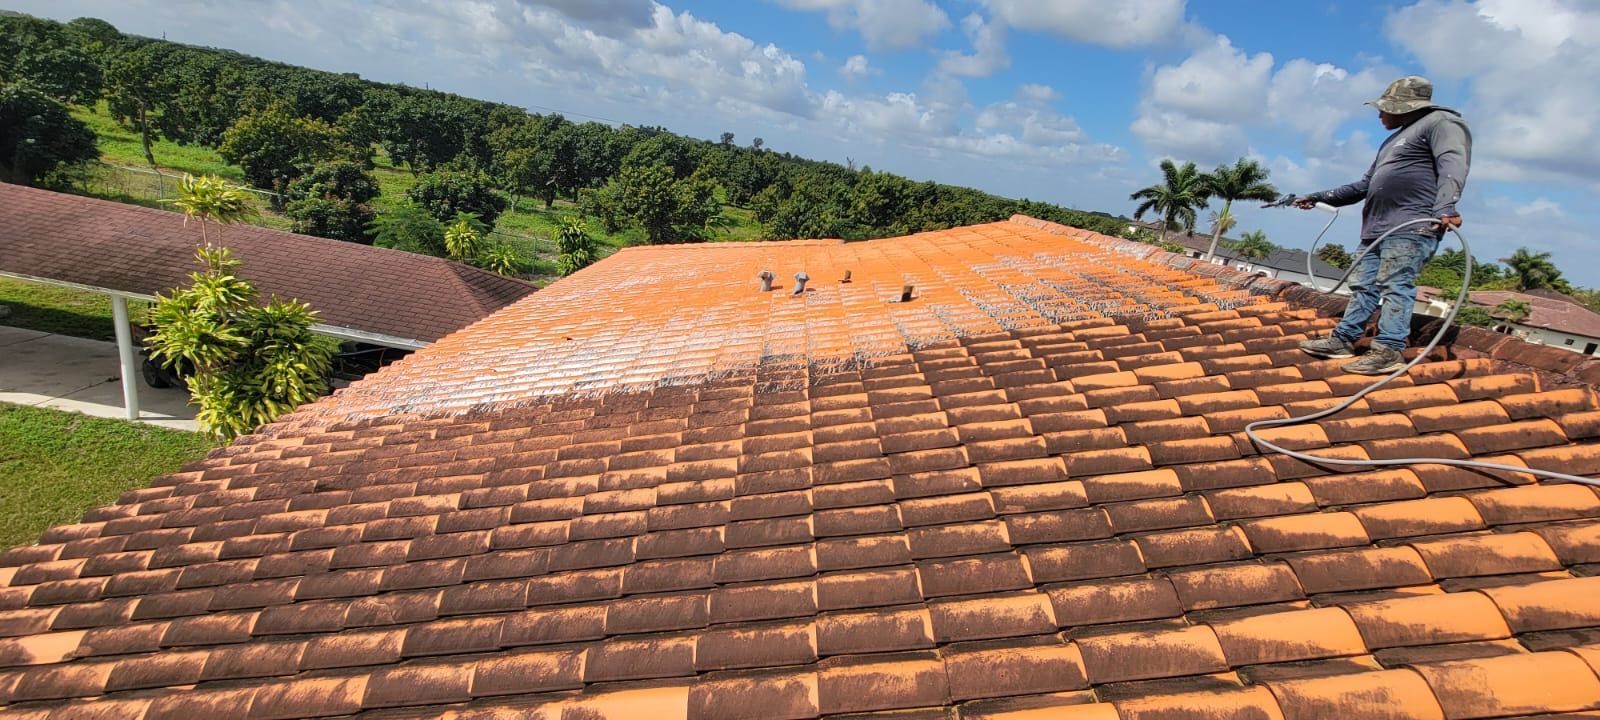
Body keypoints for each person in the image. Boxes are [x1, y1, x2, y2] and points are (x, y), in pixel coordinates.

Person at [1295, 75, 1472, 375]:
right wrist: (1319, 197)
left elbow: (1453, 163)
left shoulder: (1442, 124)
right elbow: (1364, 185)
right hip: (1377, 229)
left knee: (1395, 283)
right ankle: (1344, 339)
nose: (1379, 115)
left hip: (1411, 225)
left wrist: (1446, 206)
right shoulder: (1394, 139)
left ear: (1405, 107)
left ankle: (1389, 348)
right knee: (1362, 285)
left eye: (1385, 109)